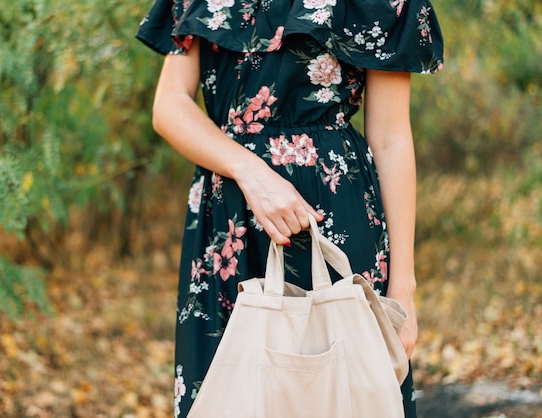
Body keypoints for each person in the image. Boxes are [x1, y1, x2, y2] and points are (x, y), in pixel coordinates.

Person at [137, 0, 443, 416]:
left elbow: (390, 136)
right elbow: (169, 106)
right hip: (230, 225)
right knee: (224, 395)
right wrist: (250, 172)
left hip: (336, 214)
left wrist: (403, 287)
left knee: (344, 395)